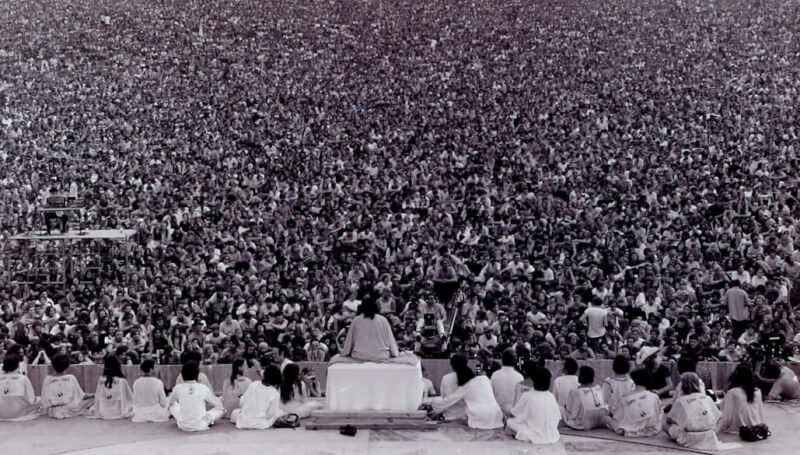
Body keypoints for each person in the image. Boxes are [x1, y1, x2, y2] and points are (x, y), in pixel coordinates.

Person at [331, 296, 416, 364]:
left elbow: (349, 342)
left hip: (360, 356)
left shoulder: (356, 320)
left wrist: (345, 353)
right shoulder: (383, 320)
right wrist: (395, 353)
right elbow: (390, 340)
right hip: (381, 355)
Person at [431, 353, 503, 429]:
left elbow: (446, 401)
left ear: (452, 366)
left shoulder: (465, 386)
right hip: (497, 415)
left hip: (480, 417)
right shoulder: (484, 378)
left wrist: (434, 407)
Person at [664, 373, 728, 450]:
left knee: (664, 425)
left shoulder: (680, 401)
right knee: (721, 416)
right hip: (709, 435)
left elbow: (669, 420)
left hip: (689, 439)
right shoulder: (707, 398)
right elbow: (720, 417)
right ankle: (713, 434)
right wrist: (714, 431)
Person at [506, 366, 561, 444]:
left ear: (533, 380)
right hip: (553, 435)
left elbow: (514, 414)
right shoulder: (551, 396)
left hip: (535, 436)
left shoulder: (527, 395)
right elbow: (557, 417)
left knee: (510, 422)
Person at [603, 368, 664, 437]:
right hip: (653, 429)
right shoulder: (654, 396)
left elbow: (617, 417)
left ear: (634, 381)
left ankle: (621, 429)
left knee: (606, 417)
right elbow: (659, 413)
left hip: (631, 430)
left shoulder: (624, 399)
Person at [169, 360, 225, 432]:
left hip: (183, 424)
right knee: (221, 409)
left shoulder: (178, 388)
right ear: (197, 374)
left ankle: (186, 418)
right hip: (201, 424)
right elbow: (217, 404)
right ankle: (208, 419)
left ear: (182, 374)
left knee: (172, 406)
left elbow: (171, 402)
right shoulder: (203, 387)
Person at [40, 354, 94, 418]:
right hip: (69, 409)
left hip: (53, 411)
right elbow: (81, 396)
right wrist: (93, 395)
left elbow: (44, 400)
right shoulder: (71, 378)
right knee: (92, 399)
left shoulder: (47, 379)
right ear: (67, 366)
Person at [716, 363, 765, 434]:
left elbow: (724, 412)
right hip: (756, 424)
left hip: (739, 427)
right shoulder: (758, 391)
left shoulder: (733, 392)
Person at [231, 364, 284, 430]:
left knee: (235, 412)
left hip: (244, 421)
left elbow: (242, 403)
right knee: (279, 412)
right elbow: (270, 414)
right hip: (261, 423)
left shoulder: (253, 384)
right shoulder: (275, 393)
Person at [563, 366, 608, 430]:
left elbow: (570, 411)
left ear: (581, 377)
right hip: (600, 421)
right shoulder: (598, 388)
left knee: (560, 409)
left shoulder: (575, 391)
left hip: (583, 424)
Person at [88, 355, 133, 420]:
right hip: (118, 411)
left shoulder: (101, 379)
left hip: (103, 412)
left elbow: (97, 397)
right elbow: (130, 398)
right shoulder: (122, 381)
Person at [0, 354, 41, 421]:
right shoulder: (23, 378)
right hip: (18, 412)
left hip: (1, 412)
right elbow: (31, 399)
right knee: (40, 400)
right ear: (18, 365)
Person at [132, 358, 170, 423]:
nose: (157, 369)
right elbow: (163, 403)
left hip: (139, 414)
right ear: (151, 369)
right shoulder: (158, 382)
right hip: (156, 414)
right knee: (172, 401)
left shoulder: (136, 382)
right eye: (155, 367)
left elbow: (135, 401)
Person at [490, 348, 523, 416]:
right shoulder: (519, 377)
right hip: (511, 412)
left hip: (497, 411)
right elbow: (520, 400)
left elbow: (490, 395)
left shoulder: (495, 375)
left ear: (502, 360)